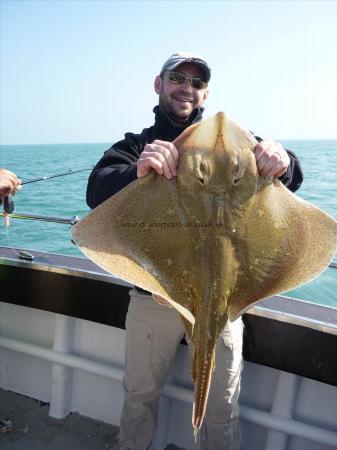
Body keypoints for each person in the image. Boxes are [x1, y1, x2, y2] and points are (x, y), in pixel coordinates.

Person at [86, 52, 303, 450]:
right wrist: (136, 170)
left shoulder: (238, 145)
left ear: (205, 94)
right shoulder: (137, 145)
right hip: (155, 293)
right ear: (159, 84)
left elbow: (293, 179)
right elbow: (96, 190)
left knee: (222, 408)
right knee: (139, 397)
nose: (187, 87)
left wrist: (283, 161)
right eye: (177, 78)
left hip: (225, 302)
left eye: (197, 82)